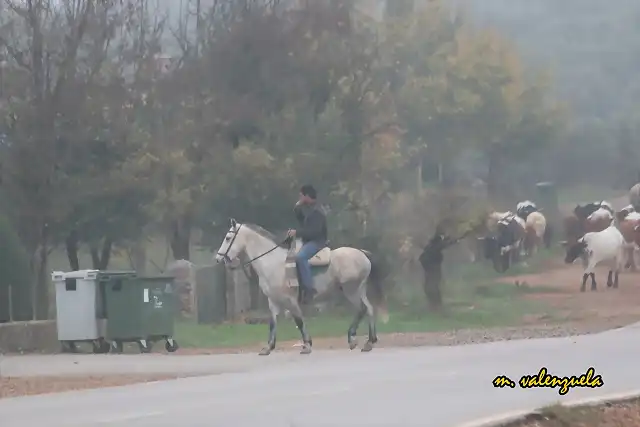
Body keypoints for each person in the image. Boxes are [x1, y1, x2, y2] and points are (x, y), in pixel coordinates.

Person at [288, 184, 328, 303]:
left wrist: (297, 233)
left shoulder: (318, 212)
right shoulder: (310, 209)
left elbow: (314, 232)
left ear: (306, 196)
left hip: (317, 242)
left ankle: (309, 289)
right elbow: (303, 222)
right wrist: (296, 208)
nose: (299, 197)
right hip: (309, 241)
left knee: (300, 257)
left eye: (301, 195)